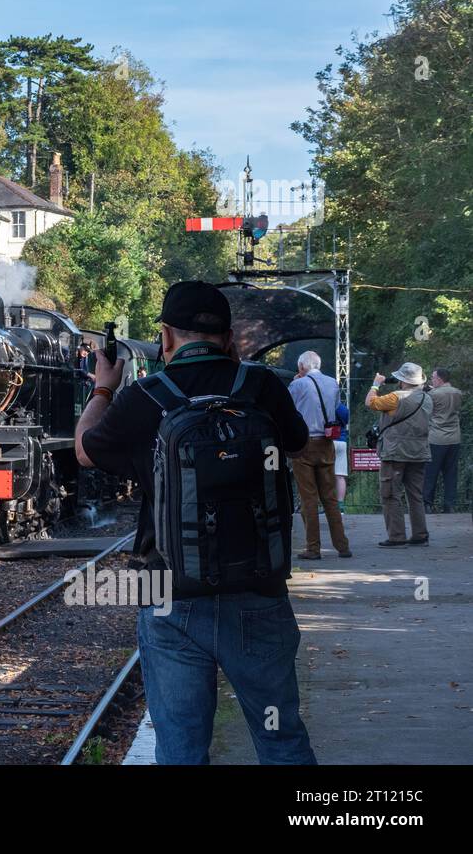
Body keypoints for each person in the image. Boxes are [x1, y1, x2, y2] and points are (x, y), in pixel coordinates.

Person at [76, 281, 315, 765]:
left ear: (165, 338)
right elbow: (297, 444)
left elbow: (84, 450)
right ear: (229, 339)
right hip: (258, 593)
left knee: (181, 748)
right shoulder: (262, 386)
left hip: (171, 598)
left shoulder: (144, 397)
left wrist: (104, 385)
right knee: (280, 737)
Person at [287, 350, 351, 560]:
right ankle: (343, 546)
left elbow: (288, 412)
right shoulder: (333, 383)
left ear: (302, 367)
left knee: (309, 499)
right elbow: (335, 409)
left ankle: (313, 549)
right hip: (327, 443)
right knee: (330, 498)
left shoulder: (297, 385)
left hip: (304, 445)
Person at [367, 363, 432, 547]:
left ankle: (396, 536)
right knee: (416, 495)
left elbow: (370, 402)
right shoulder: (427, 399)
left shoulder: (395, 398)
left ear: (403, 380)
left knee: (390, 494)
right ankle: (420, 535)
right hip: (419, 452)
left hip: (395, 453)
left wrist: (375, 384)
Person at [424, 368, 462, 513]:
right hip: (454, 437)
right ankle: (449, 505)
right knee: (451, 473)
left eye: (433, 377)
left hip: (436, 438)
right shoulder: (457, 392)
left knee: (430, 473)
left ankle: (427, 504)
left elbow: (428, 410)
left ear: (439, 379)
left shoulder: (432, 394)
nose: (431, 380)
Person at [334, 401, 350, 510]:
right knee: (340, 476)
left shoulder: (323, 404)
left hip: (326, 441)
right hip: (341, 441)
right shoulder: (342, 408)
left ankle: (325, 505)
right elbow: (346, 420)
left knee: (321, 474)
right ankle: (340, 507)